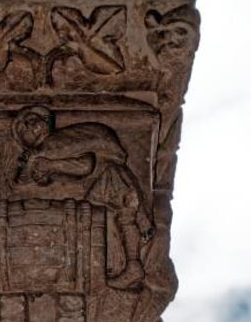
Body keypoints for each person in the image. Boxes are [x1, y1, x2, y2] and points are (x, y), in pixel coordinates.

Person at [12, 106, 154, 289]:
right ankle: (124, 262)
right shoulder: (45, 151)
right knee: (108, 217)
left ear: (46, 122)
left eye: (32, 120)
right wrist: (38, 165)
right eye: (23, 129)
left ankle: (134, 264)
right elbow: (23, 183)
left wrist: (51, 165)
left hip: (109, 177)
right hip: (101, 185)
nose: (28, 126)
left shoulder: (59, 143)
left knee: (124, 210)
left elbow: (85, 165)